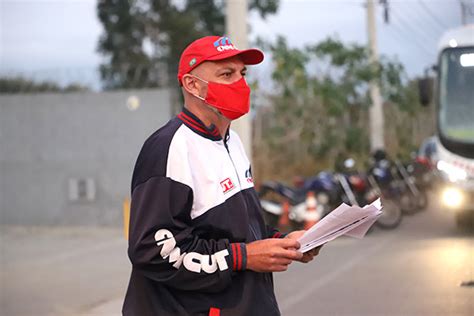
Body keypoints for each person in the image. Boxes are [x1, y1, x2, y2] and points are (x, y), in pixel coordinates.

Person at [122, 36, 321, 316]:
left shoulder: (232, 141)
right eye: (226, 74)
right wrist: (245, 257)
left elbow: (238, 229)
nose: (240, 83)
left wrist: (284, 242)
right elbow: (152, 252)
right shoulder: (169, 148)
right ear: (192, 84)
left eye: (242, 73)